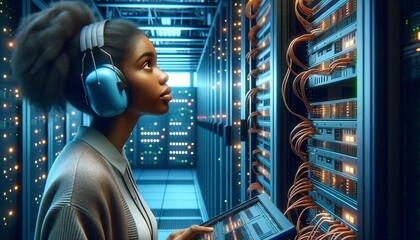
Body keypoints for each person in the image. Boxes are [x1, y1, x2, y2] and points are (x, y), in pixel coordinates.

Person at [11, 1, 213, 239]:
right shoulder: (79, 183)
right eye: (147, 64)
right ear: (105, 84)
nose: (164, 75)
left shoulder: (109, 158)